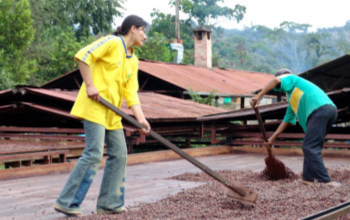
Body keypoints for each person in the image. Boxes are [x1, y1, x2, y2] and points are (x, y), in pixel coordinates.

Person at [53, 15, 151, 217]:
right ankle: (68, 202)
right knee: (94, 153)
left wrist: (140, 119)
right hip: (95, 106)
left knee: (120, 153)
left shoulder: (133, 60)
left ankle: (110, 203)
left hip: (112, 113)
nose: (145, 37)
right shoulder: (113, 42)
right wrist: (89, 85)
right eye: (144, 31)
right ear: (133, 29)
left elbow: (131, 93)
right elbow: (83, 56)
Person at [250, 68, 340, 187]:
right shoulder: (293, 98)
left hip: (320, 110)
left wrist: (259, 96)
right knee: (311, 146)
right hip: (329, 111)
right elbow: (286, 121)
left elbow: (276, 80)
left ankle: (326, 181)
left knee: (309, 147)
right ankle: (307, 179)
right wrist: (272, 139)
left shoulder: (292, 78)